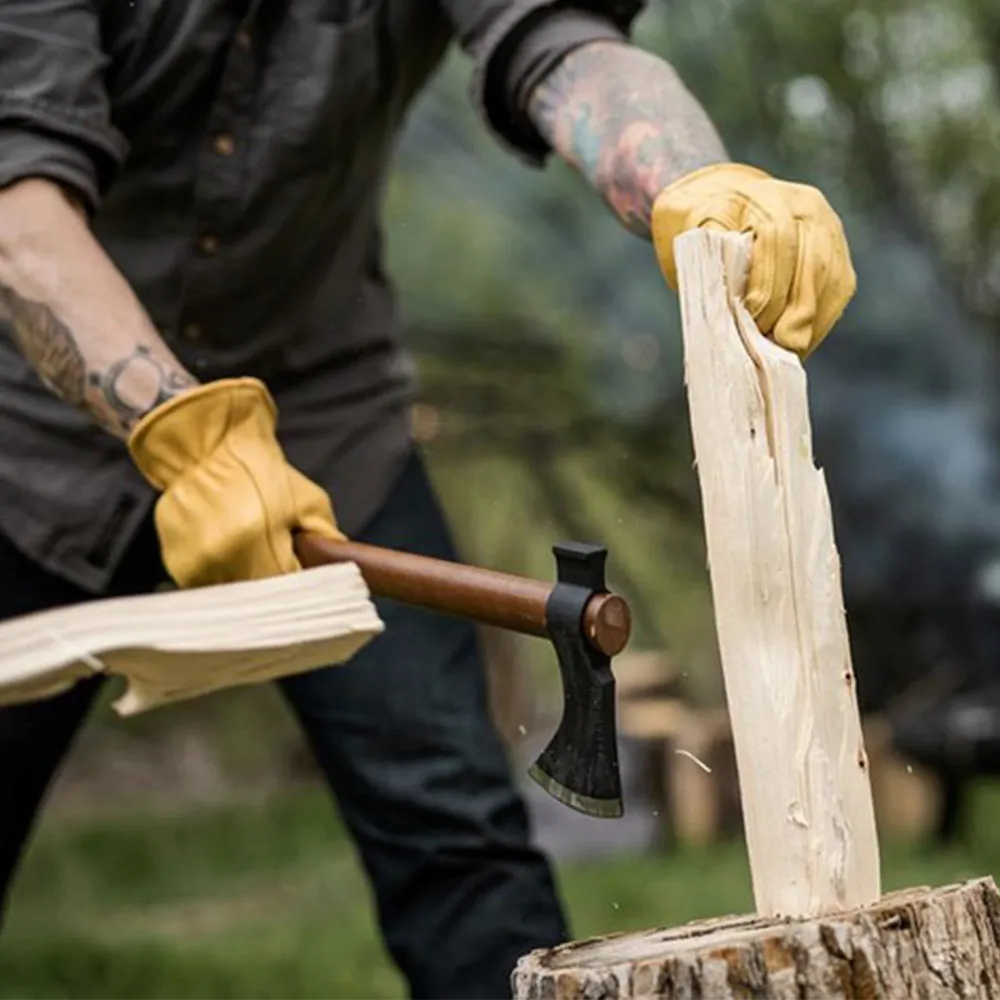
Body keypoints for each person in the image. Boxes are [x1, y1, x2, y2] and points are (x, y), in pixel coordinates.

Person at [0, 2, 857, 996]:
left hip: (326, 423)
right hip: (27, 441)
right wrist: (182, 432)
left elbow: (555, 40)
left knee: (456, 832)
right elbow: (18, 205)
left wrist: (696, 184)